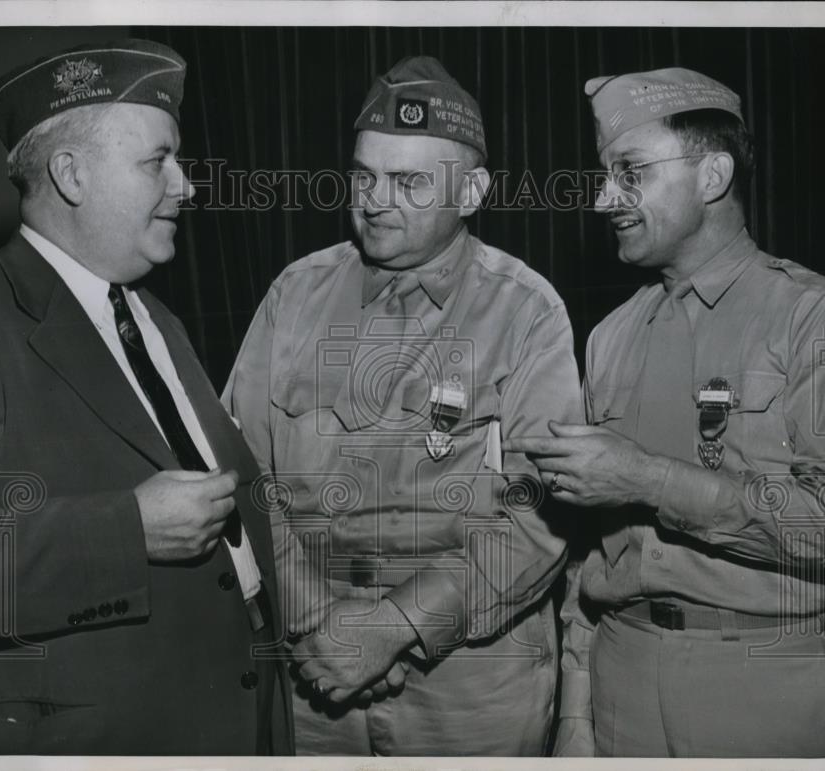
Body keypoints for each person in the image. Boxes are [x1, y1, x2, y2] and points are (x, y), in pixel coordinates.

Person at [0, 39, 292, 755]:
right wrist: (129, 530)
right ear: (71, 174)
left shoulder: (156, 318)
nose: (186, 184)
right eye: (157, 161)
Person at [223, 55, 584, 756]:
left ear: (473, 190)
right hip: (313, 669)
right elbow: (240, 473)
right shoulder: (294, 296)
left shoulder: (527, 312)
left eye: (409, 181)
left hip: (472, 678)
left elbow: (541, 511)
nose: (375, 199)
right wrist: (314, 616)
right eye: (364, 175)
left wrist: (394, 626)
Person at [507, 67, 825, 757]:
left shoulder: (819, 319)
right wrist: (576, 714)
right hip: (622, 679)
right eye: (606, 174)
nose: (606, 198)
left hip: (767, 681)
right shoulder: (608, 338)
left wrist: (650, 479)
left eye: (630, 171)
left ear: (713, 175)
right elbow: (587, 549)